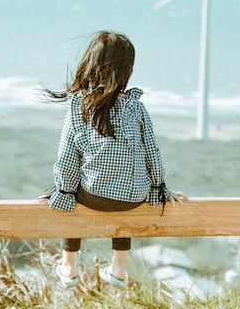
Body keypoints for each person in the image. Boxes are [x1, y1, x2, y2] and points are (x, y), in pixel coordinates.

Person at [44, 31, 187, 288]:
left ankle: (69, 265)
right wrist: (159, 189)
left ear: (90, 63)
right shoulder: (136, 107)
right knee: (127, 184)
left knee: (71, 195)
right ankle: (119, 268)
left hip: (94, 195)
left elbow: (67, 158)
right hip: (135, 198)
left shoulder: (80, 106)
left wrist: (63, 192)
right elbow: (152, 153)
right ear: (127, 70)